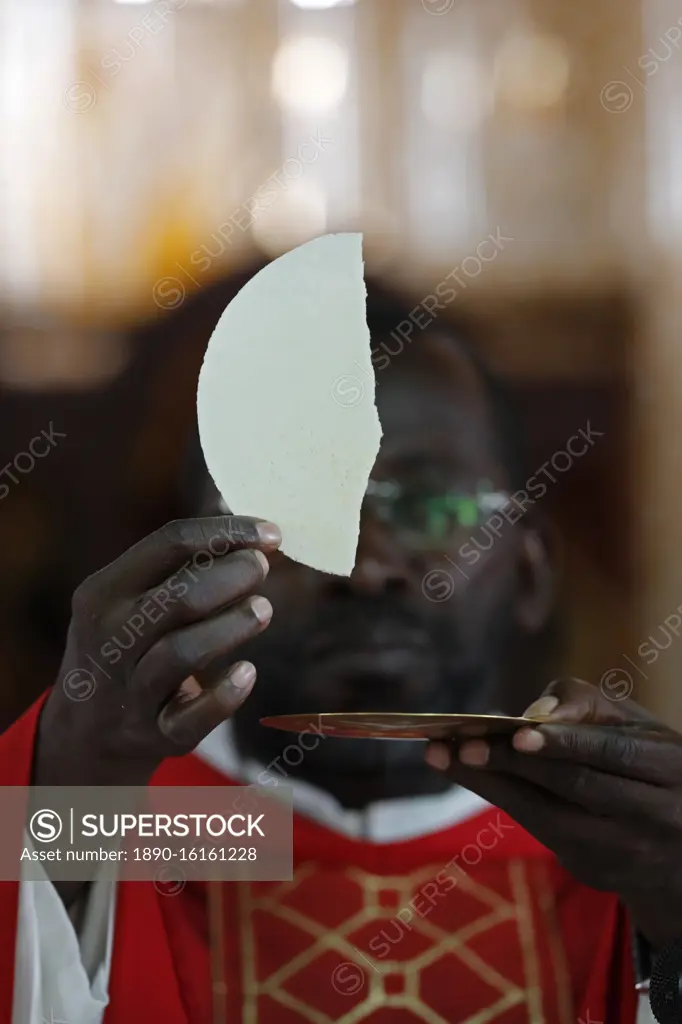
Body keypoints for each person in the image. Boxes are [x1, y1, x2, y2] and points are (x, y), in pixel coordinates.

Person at [0, 277, 674, 1024]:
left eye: (425, 506)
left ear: (531, 569)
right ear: (192, 559)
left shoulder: (626, 848)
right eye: (300, 508)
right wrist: (59, 796)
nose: (365, 565)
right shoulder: (108, 823)